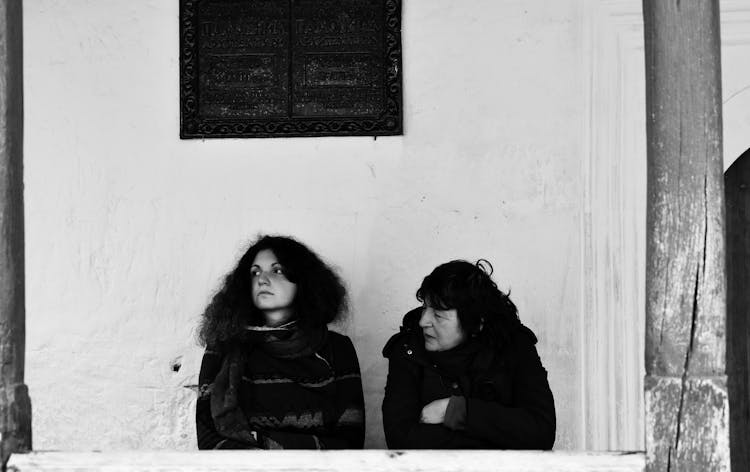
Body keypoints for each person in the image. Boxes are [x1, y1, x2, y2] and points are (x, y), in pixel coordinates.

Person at [196, 235, 365, 449]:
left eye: (276, 270)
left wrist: (263, 440)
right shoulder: (224, 347)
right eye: (255, 272)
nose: (261, 279)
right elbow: (208, 440)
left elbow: (350, 442)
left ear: (303, 280)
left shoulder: (337, 349)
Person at [382, 259, 555, 449]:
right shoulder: (408, 349)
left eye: (438, 315)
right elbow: (401, 439)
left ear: (475, 323)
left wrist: (456, 411)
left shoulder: (514, 346)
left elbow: (541, 431)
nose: (423, 321)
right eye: (425, 307)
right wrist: (500, 437)